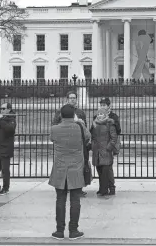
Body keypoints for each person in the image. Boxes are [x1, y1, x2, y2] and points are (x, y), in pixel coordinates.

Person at [49, 104, 90, 240]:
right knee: (75, 200)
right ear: (74, 115)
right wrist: (79, 122)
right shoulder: (80, 127)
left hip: (60, 168)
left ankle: (59, 230)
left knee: (60, 200)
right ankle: (73, 230)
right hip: (76, 168)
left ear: (61, 115)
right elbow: (88, 137)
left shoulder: (54, 129)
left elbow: (53, 139)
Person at [90, 97, 121, 195]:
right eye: (101, 105)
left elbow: (117, 132)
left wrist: (109, 147)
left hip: (107, 147)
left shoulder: (113, 117)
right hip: (98, 148)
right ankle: (103, 188)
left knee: (108, 170)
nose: (102, 107)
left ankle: (111, 188)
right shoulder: (96, 118)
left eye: (104, 105)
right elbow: (92, 133)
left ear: (109, 106)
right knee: (101, 169)